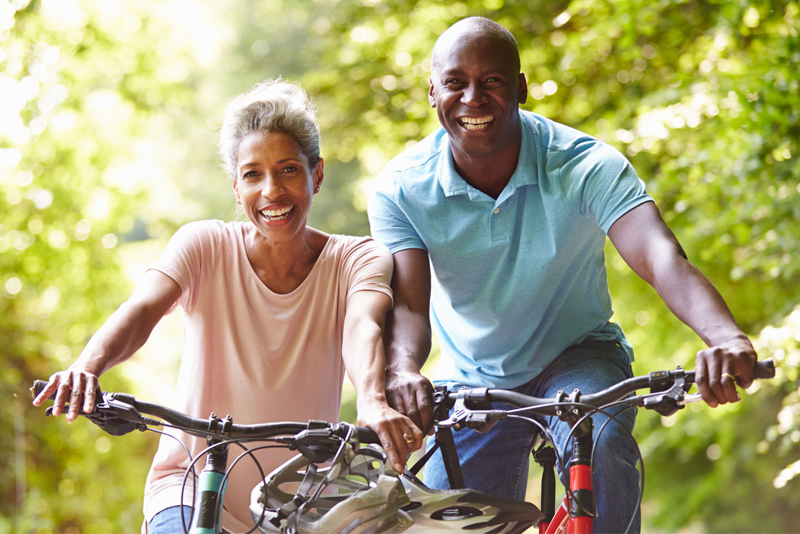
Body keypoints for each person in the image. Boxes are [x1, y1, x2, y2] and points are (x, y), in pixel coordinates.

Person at [367, 17, 759, 534]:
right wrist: (400, 371)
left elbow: (661, 258)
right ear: (433, 92)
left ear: (522, 88)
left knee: (599, 440)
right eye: (456, 82)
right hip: (473, 377)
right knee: (437, 517)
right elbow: (411, 307)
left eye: (492, 81)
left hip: (580, 356)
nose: (473, 98)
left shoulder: (584, 164)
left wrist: (724, 336)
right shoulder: (401, 188)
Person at [33, 80, 423, 533]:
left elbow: (363, 327)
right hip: (188, 483)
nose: (272, 191)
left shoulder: (357, 259)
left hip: (298, 501)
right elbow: (141, 310)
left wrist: (373, 402)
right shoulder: (204, 245)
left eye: (289, 170)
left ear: (317, 174)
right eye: (253, 174)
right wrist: (87, 366)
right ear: (236, 187)